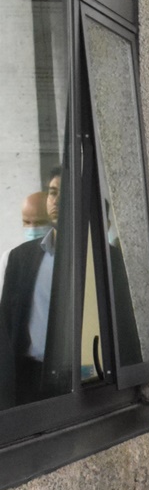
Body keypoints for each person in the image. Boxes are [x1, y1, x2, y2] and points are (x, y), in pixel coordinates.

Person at [0, 169, 62, 407]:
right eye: (52, 193)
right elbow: (8, 325)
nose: (55, 201)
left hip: (82, 379)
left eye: (63, 193)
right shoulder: (20, 257)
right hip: (29, 377)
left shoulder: (99, 258)